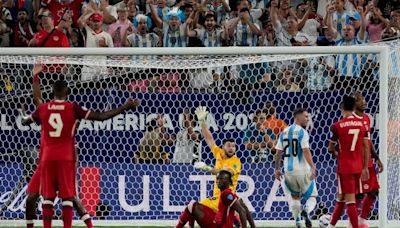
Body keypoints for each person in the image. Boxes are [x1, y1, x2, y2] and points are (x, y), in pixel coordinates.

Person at [21, 70, 140, 228]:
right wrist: (125, 107)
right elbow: (101, 117)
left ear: (51, 92)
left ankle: (87, 225)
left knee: (49, 198)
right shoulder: (72, 108)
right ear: (68, 92)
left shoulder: (44, 109)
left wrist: (35, 78)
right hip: (65, 157)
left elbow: (30, 112)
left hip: (47, 158)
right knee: (67, 198)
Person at [25, 64, 94, 228]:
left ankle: (91, 226)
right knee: (31, 198)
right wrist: (35, 78)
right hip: (45, 163)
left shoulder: (58, 111)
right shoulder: (45, 111)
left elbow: (37, 99)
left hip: (59, 158)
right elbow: (37, 99)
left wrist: (35, 77)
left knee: (71, 198)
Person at [178, 106, 241, 226]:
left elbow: (224, 173)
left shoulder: (235, 161)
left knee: (192, 207)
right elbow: (209, 138)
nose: (231, 148)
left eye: (233, 146)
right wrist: (202, 122)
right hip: (216, 198)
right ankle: (235, 219)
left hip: (225, 198)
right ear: (223, 147)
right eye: (229, 145)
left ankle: (184, 225)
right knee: (194, 209)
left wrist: (207, 168)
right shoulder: (219, 153)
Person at [327, 96, 370, 228]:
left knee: (349, 200)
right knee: (342, 197)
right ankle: (331, 225)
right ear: (353, 108)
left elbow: (330, 148)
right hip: (358, 166)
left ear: (341, 108)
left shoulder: (337, 126)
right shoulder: (362, 125)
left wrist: (336, 153)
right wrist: (365, 167)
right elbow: (366, 146)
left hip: (345, 167)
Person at [274, 108, 318, 228]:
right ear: (297, 118)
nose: (307, 119)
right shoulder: (302, 132)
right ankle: (307, 210)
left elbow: (278, 152)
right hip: (303, 171)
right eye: (305, 117)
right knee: (312, 196)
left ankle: (298, 221)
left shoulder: (284, 132)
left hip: (288, 172)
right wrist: (313, 167)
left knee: (295, 197)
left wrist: (277, 169)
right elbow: (305, 150)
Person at [176, 169, 255, 228]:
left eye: (222, 179)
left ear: (229, 182)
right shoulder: (230, 193)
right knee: (192, 205)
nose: (219, 181)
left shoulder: (226, 194)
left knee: (191, 206)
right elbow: (245, 209)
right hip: (218, 223)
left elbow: (242, 211)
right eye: (218, 178)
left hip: (218, 226)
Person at [352, 92, 384, 225]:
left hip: (368, 161)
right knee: (358, 194)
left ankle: (362, 220)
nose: (364, 103)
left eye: (364, 100)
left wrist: (377, 158)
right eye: (361, 101)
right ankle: (353, 222)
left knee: (374, 190)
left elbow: (368, 141)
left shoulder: (366, 118)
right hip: (357, 162)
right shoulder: (351, 119)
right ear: (354, 104)